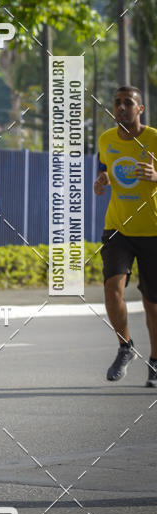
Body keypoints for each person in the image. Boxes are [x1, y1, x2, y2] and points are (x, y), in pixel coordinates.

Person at [94, 85, 157, 388]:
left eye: (128, 103)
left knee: (152, 303)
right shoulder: (106, 139)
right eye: (117, 103)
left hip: (152, 230)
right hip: (117, 227)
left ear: (140, 109)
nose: (120, 108)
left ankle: (155, 362)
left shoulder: (154, 139)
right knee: (111, 288)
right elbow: (105, 168)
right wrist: (102, 179)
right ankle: (125, 347)